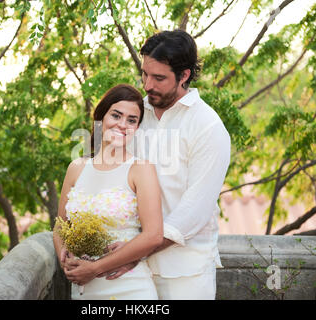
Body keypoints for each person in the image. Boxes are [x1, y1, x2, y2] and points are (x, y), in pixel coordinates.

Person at [98, 30, 231, 300]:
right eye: (145, 74)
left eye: (159, 78)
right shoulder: (134, 114)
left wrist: (134, 251)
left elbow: (194, 211)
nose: (147, 85)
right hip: (127, 272)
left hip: (184, 274)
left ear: (184, 76)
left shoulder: (208, 127)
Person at [53, 84, 164, 300]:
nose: (123, 125)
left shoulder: (141, 169)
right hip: (83, 289)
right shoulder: (76, 168)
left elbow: (153, 235)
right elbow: (60, 225)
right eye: (116, 115)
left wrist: (95, 268)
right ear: (100, 117)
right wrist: (64, 256)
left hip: (129, 287)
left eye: (132, 120)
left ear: (137, 128)